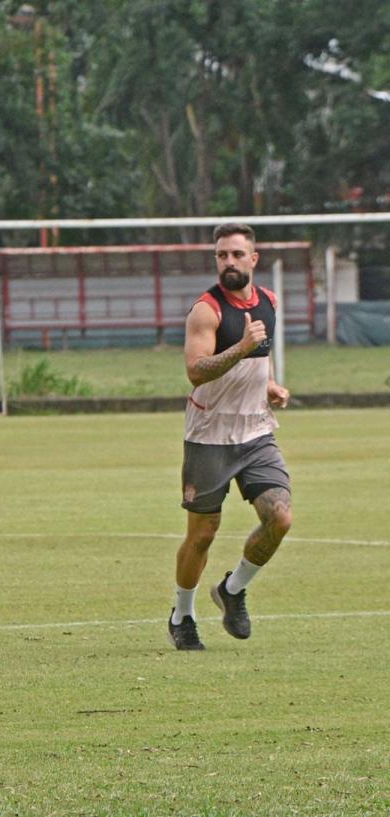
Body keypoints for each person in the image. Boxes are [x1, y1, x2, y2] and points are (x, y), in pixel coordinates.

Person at [167, 223, 293, 651]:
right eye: (222, 255)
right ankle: (182, 614)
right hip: (209, 436)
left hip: (256, 432)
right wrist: (239, 347)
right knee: (202, 535)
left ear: (253, 259)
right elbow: (195, 371)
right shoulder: (207, 310)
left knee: (280, 517)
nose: (229, 262)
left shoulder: (270, 301)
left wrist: (270, 385)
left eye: (238, 254)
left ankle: (233, 590)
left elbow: (263, 357)